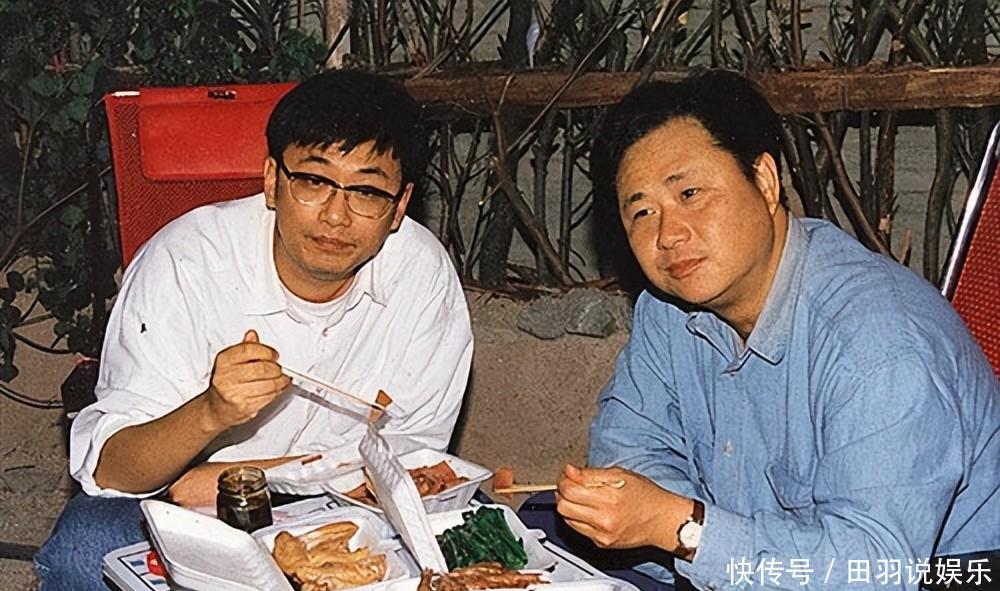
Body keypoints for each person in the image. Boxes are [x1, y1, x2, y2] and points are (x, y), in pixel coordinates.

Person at [555, 69, 999, 590]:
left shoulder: (880, 345)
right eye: (643, 212)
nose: (668, 234)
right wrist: (687, 531)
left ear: (765, 181)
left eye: (690, 193)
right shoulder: (669, 310)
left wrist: (685, 529)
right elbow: (626, 453)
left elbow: (874, 569)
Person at [35, 70, 473, 590]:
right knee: (84, 546)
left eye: (367, 191)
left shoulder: (422, 275)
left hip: (346, 510)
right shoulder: (186, 262)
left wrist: (239, 476)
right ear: (271, 180)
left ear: (398, 206)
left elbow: (413, 470)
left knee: (474, 539)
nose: (336, 215)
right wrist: (210, 412)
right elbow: (113, 471)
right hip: (188, 511)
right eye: (313, 182)